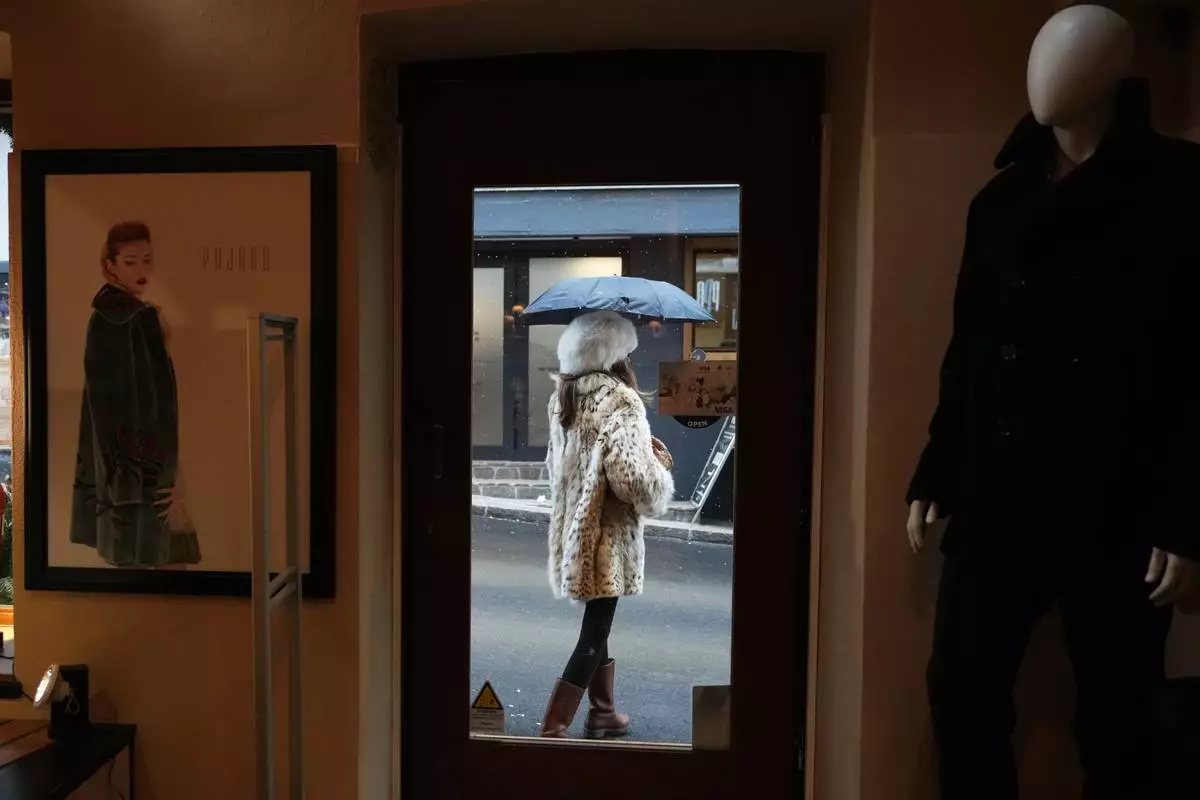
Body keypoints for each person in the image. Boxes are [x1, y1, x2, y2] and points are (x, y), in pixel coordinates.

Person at [538, 310, 675, 739]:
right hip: (605, 537)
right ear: (617, 352)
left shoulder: (564, 395)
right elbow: (632, 478)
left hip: (575, 532)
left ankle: (604, 710)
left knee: (600, 620)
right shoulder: (620, 398)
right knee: (595, 632)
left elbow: (557, 467)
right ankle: (553, 727)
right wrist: (660, 470)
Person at [70, 221, 201, 569]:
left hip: (132, 473)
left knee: (154, 571)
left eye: (147, 260)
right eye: (131, 261)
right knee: (164, 572)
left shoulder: (119, 316)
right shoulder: (131, 319)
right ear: (110, 265)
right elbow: (132, 410)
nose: (142, 270)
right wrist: (162, 479)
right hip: (142, 474)